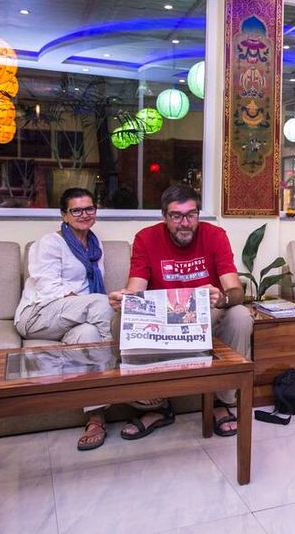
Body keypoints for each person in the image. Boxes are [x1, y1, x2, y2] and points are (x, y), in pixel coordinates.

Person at [110, 184, 252, 437]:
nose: (185, 223)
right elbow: (136, 289)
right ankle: (156, 405)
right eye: (176, 216)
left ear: (198, 214)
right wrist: (125, 300)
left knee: (241, 315)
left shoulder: (215, 235)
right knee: (120, 319)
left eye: (191, 214)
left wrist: (222, 298)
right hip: (163, 318)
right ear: (164, 216)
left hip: (207, 313)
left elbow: (237, 291)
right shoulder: (146, 238)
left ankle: (221, 401)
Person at [15, 187, 115, 451]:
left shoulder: (95, 244)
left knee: (89, 335)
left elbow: (92, 289)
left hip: (74, 319)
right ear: (64, 215)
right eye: (76, 210)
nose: (84, 214)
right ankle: (120, 378)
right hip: (39, 314)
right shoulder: (50, 243)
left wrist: (90, 306)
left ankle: (96, 418)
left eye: (89, 208)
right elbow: (49, 288)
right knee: (101, 302)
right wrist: (90, 304)